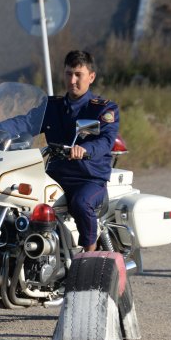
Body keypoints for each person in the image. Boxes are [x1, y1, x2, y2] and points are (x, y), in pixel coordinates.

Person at [41, 50, 119, 252]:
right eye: (69, 74)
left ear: (91, 77)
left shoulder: (102, 109)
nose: (73, 80)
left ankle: (89, 254)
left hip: (89, 178)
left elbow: (106, 140)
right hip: (56, 175)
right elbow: (24, 123)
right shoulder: (52, 106)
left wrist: (84, 149)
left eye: (78, 74)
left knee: (81, 203)